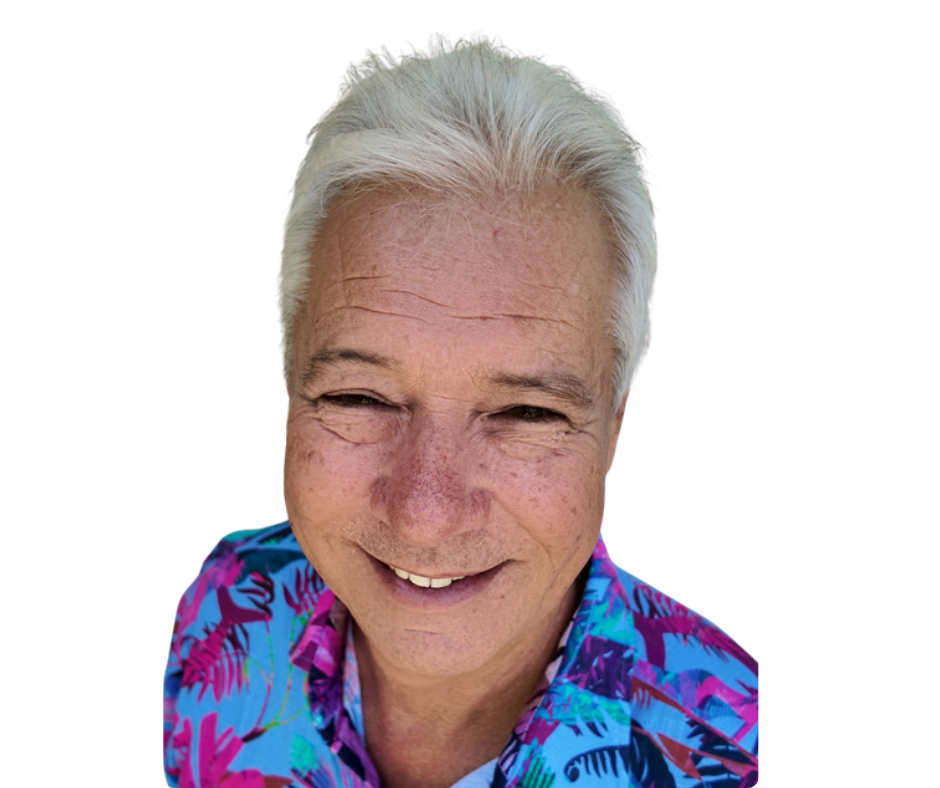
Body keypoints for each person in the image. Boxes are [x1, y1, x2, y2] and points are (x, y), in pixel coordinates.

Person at [163, 39, 758, 788]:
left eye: (526, 413)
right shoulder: (231, 608)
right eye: (359, 398)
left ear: (613, 424)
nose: (424, 515)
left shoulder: (741, 756)